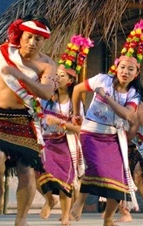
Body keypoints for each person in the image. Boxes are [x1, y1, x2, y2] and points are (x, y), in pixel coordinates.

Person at [69, 19, 143, 226]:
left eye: (130, 69)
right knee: (95, 168)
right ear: (116, 67)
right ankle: (79, 203)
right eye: (122, 67)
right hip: (90, 132)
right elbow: (78, 89)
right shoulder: (101, 80)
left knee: (119, 179)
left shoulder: (133, 94)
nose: (125, 71)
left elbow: (128, 116)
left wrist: (107, 99)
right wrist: (76, 111)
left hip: (114, 137)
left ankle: (108, 218)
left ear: (136, 73)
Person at [0, 16, 57, 226]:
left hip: (24, 119)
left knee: (26, 171)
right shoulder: (1, 53)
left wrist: (20, 75)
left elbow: (46, 92)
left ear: (44, 41)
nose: (32, 42)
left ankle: (21, 220)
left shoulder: (47, 64)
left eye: (38, 39)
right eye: (29, 37)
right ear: (21, 36)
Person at [35, 35, 93, 226]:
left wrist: (60, 123)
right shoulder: (45, 98)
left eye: (61, 75)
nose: (57, 78)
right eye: (56, 74)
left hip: (67, 144)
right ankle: (48, 200)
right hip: (47, 142)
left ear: (70, 80)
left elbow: (79, 128)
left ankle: (66, 215)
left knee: (65, 181)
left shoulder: (74, 103)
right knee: (38, 174)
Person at [115, 103, 143, 221]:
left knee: (140, 179)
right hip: (124, 147)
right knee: (120, 179)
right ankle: (123, 212)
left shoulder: (139, 109)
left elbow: (133, 131)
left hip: (141, 148)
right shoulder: (119, 106)